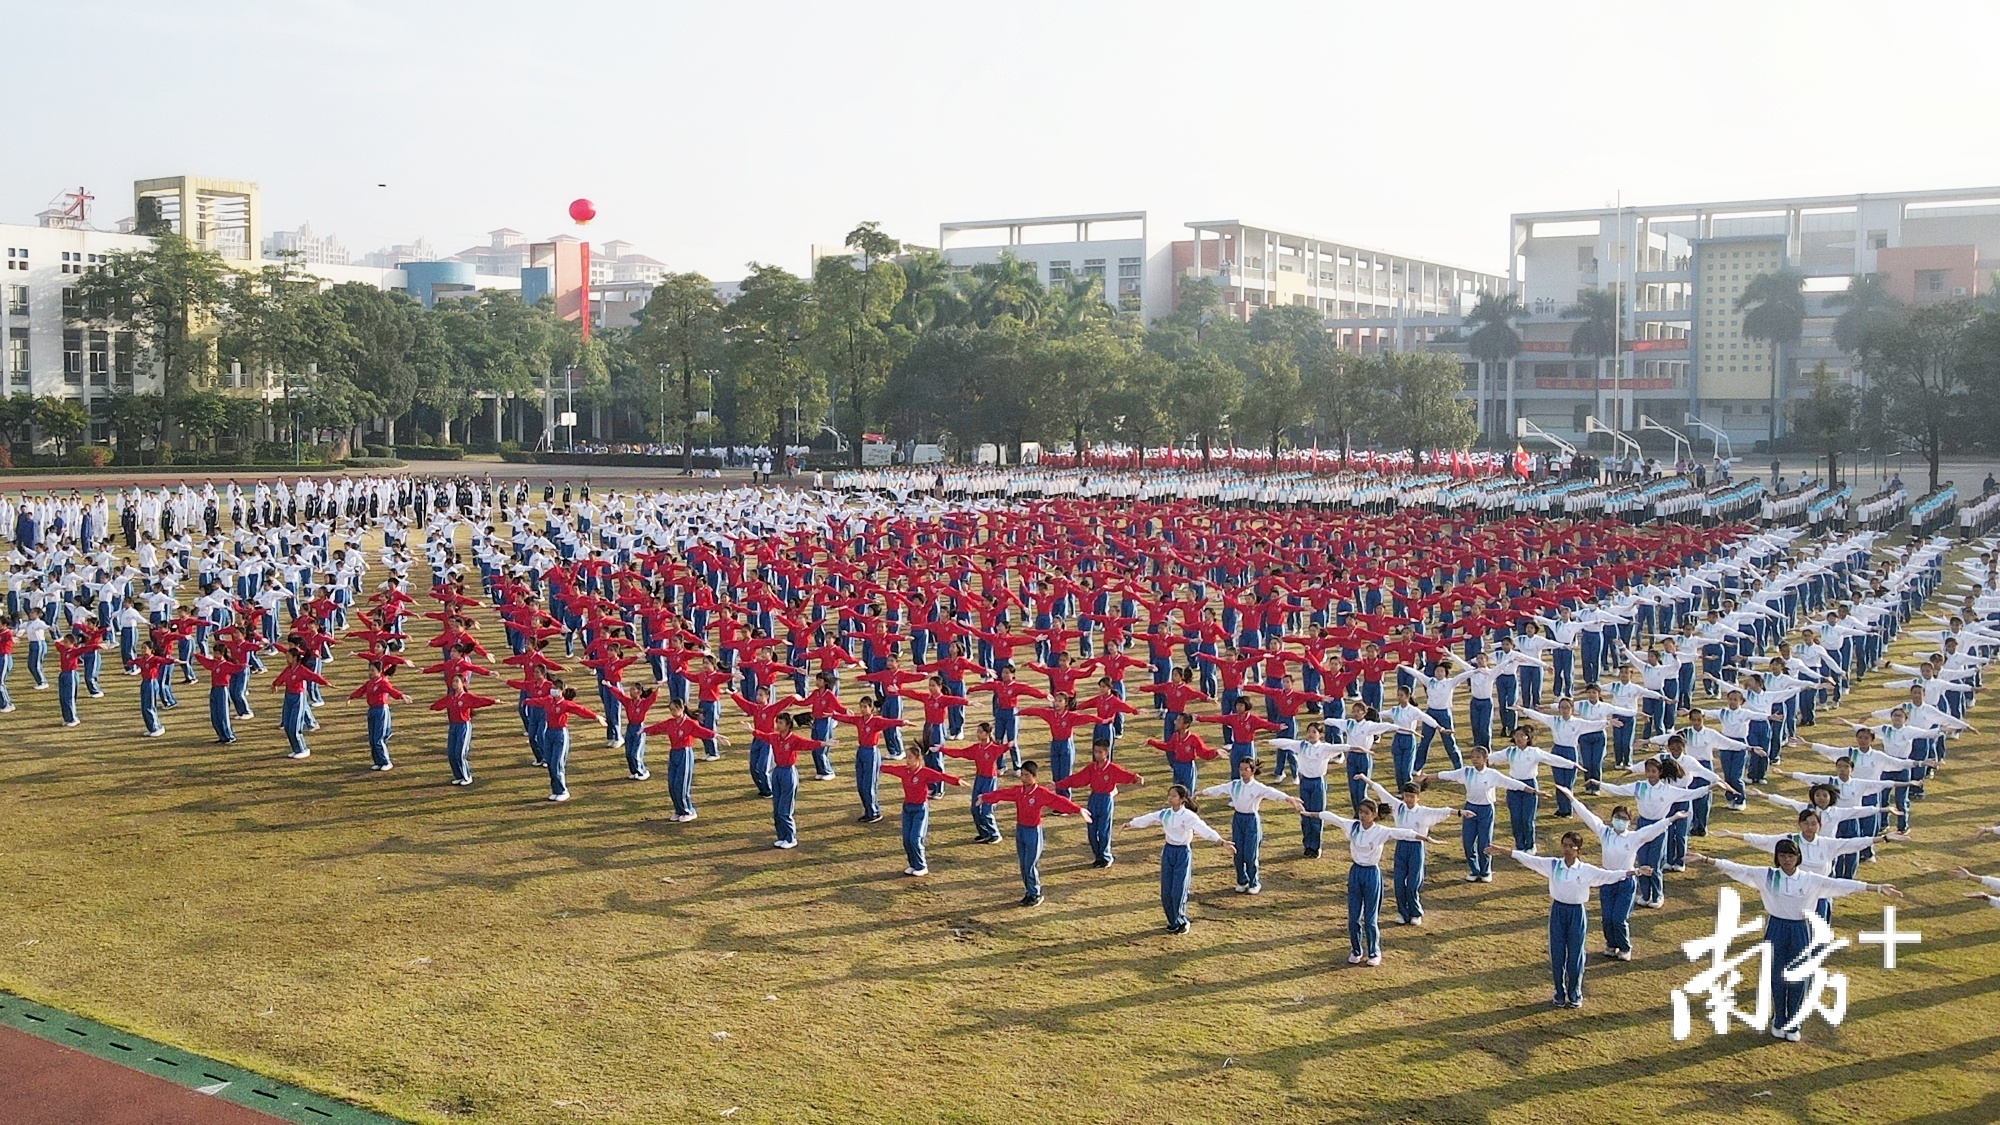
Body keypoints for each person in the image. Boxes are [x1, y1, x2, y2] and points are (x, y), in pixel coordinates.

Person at [1686, 843, 1901, 1040]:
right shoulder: (1767, 875)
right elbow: (1737, 868)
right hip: (1776, 928)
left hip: (1800, 928)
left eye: (1790, 856)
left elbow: (1841, 884)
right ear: (1777, 858)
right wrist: (1705, 859)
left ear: (1797, 858)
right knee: (1776, 974)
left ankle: (1793, 1023)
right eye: (1782, 856)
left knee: (1800, 975)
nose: (1786, 860)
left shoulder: (1810, 879)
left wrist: (1877, 887)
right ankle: (1779, 1019)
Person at [1491, 832, 1649, 1009]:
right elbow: (1528, 859)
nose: (1566, 850)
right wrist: (1501, 850)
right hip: (1558, 911)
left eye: (1570, 846)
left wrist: (1635, 871)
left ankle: (1574, 993)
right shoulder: (1553, 864)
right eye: (1564, 845)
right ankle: (1559, 992)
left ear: (1578, 850)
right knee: (1557, 954)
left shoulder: (1586, 870)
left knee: (1575, 955)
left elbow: (1609, 875)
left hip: (1576, 913)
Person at [1556, 789, 1682, 959]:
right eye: (1617, 817)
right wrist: (1571, 798)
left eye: (1624, 819)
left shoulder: (1634, 837)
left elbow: (1653, 829)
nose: (1619, 821)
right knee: (1607, 919)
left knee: (1618, 919)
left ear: (1629, 822)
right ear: (1612, 818)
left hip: (1625, 881)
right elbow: (1588, 816)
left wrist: (1672, 818)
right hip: (1607, 880)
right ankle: (1611, 944)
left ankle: (1624, 947)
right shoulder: (1605, 832)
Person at [1305, 799, 1433, 966]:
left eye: (1366, 813)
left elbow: (1404, 833)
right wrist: (1308, 814)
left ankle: (1374, 952)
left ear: (1374, 815)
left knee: (1370, 918)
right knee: (1353, 918)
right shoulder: (1353, 826)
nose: (1362, 816)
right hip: (1355, 873)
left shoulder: (1380, 831)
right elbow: (1331, 817)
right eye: (1361, 812)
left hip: (1372, 874)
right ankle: (1356, 950)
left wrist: (1426, 838)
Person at [1126, 785, 1234, 933]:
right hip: (1168, 851)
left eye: (1174, 796)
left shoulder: (1188, 816)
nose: (1170, 798)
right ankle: (1172, 921)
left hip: (1182, 852)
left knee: (1178, 890)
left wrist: (1221, 841)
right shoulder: (1165, 814)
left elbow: (1203, 829)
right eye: (1169, 795)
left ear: (1182, 799)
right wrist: (1131, 824)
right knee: (1166, 892)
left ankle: (1182, 921)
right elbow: (1149, 818)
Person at [979, 760, 1088, 906]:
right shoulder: (1019, 791)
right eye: (1022, 775)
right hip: (1020, 830)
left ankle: (1036, 894)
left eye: (1027, 775)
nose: (1023, 778)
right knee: (1023, 865)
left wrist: (1077, 809)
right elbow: (1002, 794)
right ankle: (1029, 892)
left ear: (1034, 776)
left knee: (1030, 864)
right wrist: (985, 797)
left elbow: (1058, 801)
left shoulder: (1040, 793)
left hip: (1033, 832)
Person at [1427, 744, 1537, 882]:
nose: (1474, 760)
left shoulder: (1492, 774)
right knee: (1468, 842)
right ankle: (1474, 870)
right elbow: (1447, 775)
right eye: (1472, 757)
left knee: (1484, 843)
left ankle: (1485, 871)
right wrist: (1427, 777)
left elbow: (1512, 783)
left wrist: (1533, 791)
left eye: (1478, 757)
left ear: (1485, 759)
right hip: (1470, 810)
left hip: (1486, 810)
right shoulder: (1466, 772)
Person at [1365, 778, 1459, 925]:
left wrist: (1460, 812)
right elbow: (1381, 791)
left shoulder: (1423, 812)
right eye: (1406, 796)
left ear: (1418, 797)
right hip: (1401, 846)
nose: (1408, 799)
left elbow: (1442, 811)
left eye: (1412, 796)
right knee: (1399, 882)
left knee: (1413, 883)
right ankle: (1402, 912)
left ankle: (1415, 912)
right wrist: (1365, 778)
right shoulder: (1398, 807)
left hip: (1416, 847)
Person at [1197, 758, 1292, 895]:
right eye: (1240, 769)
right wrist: (1201, 793)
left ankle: (1254, 882)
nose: (1242, 772)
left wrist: (1289, 799)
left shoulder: (1257, 787)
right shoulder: (1235, 785)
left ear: (1252, 771)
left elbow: (1272, 793)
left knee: (1250, 854)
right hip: (1238, 819)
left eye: (1246, 769)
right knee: (1237, 852)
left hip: (1251, 820)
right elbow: (1218, 789)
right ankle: (1242, 880)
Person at [1053, 739, 1142, 867]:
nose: (1097, 755)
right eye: (1095, 752)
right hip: (1093, 799)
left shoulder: (1112, 768)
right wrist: (1058, 785)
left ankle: (1106, 857)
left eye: (1100, 752)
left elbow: (1125, 775)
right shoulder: (1091, 768)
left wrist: (1135, 778)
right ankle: (1098, 857)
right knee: (1091, 831)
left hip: (1105, 800)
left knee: (1103, 831)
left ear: (1106, 753)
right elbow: (1077, 779)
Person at [879, 756, 964, 876]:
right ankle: (913, 864)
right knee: (906, 839)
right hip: (907, 808)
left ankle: (921, 866)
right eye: (907, 758)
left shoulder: (924, 773)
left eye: (911, 758)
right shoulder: (904, 771)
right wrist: (877, 766)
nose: (907, 761)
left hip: (920, 809)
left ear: (918, 759)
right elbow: (891, 769)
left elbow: (940, 776)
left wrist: (955, 780)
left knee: (915, 839)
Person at [429, 674, 499, 785]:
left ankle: (467, 777)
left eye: (457, 681)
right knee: (451, 753)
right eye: (453, 681)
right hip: (453, 726)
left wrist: (493, 701)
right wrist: (432, 706)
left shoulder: (467, 697)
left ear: (463, 683)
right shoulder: (450, 697)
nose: (454, 684)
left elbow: (479, 701)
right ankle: (458, 776)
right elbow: (440, 704)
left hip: (463, 726)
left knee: (460, 753)